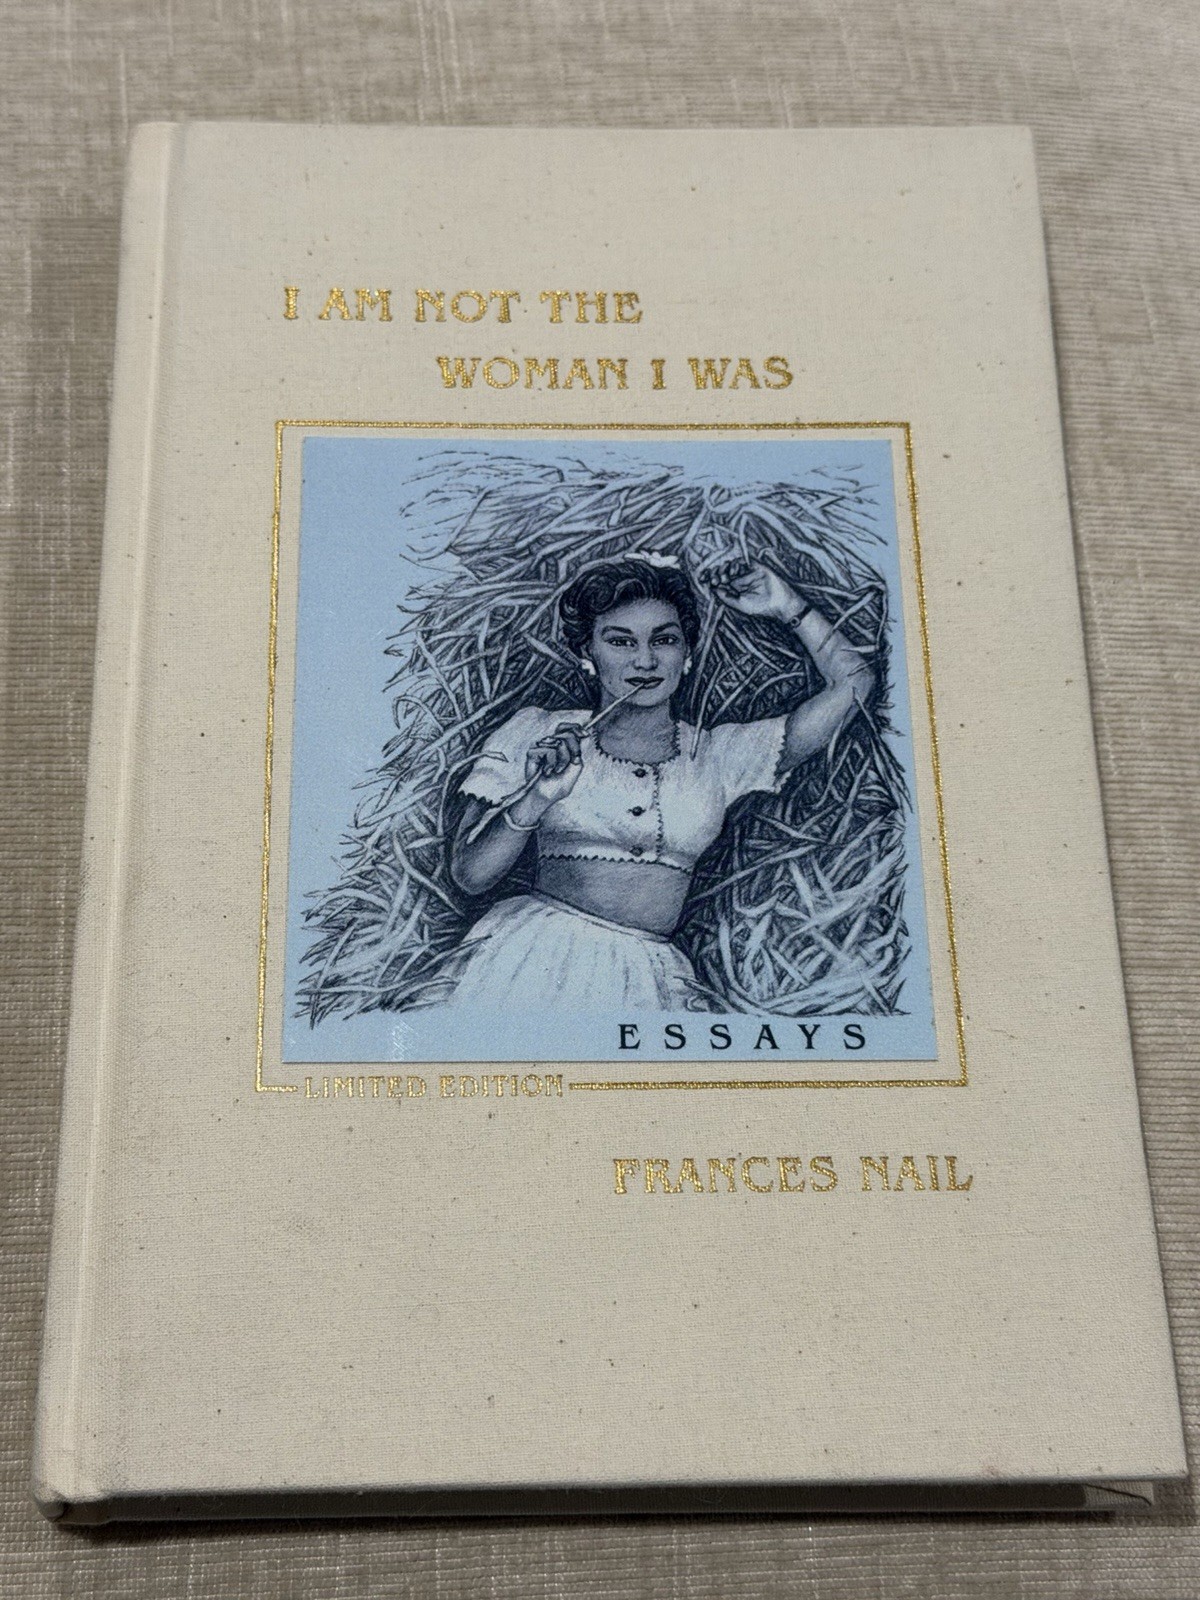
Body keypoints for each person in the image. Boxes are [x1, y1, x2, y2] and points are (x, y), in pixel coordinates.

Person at [445, 555, 873, 1010]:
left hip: (651, 979)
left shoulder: (719, 753)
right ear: (587, 652)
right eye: (620, 641)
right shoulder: (537, 731)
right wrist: (537, 796)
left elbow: (855, 684)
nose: (645, 660)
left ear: (687, 653)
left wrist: (786, 603)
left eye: (664, 640)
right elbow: (469, 875)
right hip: (530, 959)